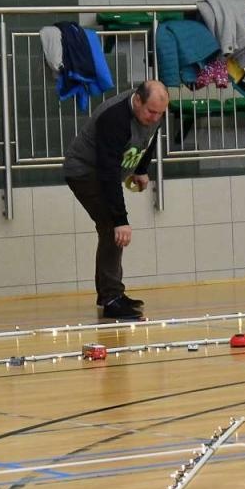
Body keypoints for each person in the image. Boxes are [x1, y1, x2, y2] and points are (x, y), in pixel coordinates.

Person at [62, 80, 169, 321]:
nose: (155, 118)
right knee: (112, 227)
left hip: (107, 172)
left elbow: (149, 140)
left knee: (110, 229)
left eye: (160, 113)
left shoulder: (155, 112)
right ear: (138, 100)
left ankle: (111, 295)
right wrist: (120, 219)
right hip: (85, 172)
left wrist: (141, 168)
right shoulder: (114, 118)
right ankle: (111, 299)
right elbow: (108, 173)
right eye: (151, 112)